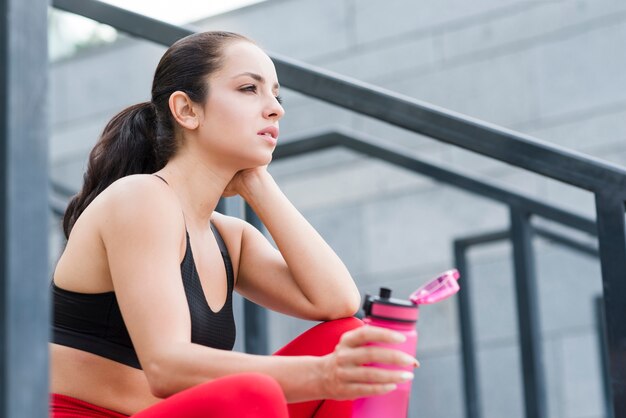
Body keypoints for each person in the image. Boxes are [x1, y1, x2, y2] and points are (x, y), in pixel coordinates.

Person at [50, 31, 419, 418]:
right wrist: (322, 375)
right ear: (187, 110)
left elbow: (338, 303)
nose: (275, 108)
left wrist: (258, 183)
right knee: (251, 395)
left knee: (343, 337)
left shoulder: (230, 237)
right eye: (249, 89)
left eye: (276, 95)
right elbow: (166, 366)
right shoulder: (140, 198)